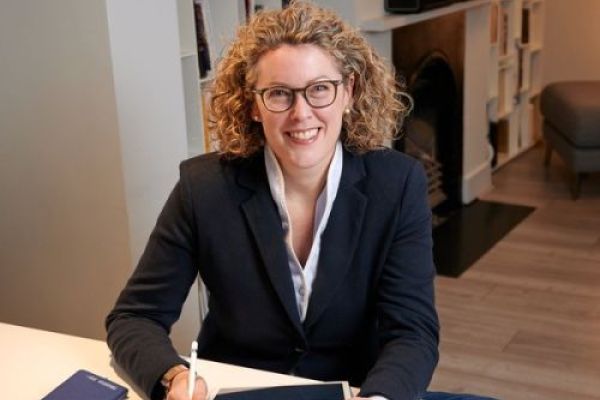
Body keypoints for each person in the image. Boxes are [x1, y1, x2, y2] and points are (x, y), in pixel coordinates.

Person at [106, 2, 496, 400]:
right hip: (237, 391)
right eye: (279, 93)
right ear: (253, 105)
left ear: (348, 92)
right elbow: (135, 317)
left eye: (319, 89)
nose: (301, 113)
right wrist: (174, 377)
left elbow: (412, 332)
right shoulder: (203, 188)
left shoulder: (397, 185)